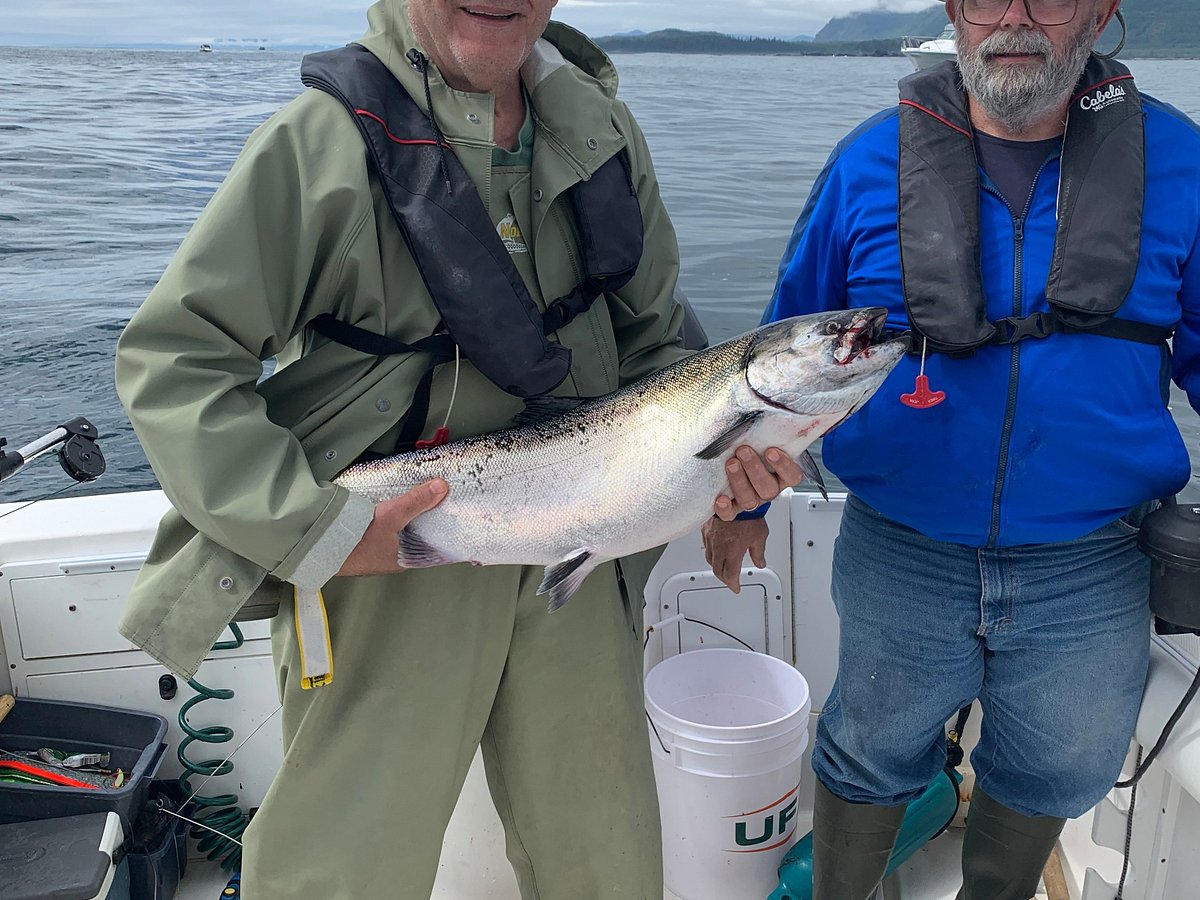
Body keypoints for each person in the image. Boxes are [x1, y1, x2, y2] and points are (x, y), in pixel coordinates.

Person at [114, 1, 801, 898]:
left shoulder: (604, 135)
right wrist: (314, 530)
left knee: (606, 857)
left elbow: (657, 344)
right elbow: (176, 358)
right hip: (386, 548)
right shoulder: (321, 143)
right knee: (346, 866)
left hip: (579, 548)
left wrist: (725, 463)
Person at [704, 1, 1200, 898]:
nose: (1014, 19)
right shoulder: (868, 162)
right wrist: (748, 504)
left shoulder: (1180, 164)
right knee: (868, 747)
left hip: (1092, 561)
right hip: (903, 546)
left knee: (1058, 763)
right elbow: (772, 365)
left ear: (1102, 12)